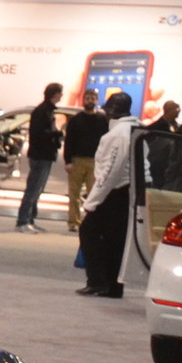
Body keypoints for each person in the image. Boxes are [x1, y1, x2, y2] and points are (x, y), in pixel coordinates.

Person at [75, 90, 139, 299]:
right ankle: (113, 286)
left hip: (115, 192)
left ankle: (97, 282)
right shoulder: (137, 129)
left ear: (111, 111)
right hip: (129, 192)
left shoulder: (117, 135)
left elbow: (110, 172)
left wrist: (92, 201)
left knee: (89, 231)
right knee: (116, 240)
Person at [17, 81, 63, 232]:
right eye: (60, 93)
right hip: (41, 154)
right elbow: (38, 133)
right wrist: (55, 134)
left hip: (45, 154)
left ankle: (30, 219)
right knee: (33, 188)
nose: (61, 96)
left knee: (37, 189)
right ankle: (23, 221)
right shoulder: (42, 111)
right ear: (55, 94)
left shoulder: (47, 110)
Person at [62, 89, 109, 232]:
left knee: (94, 194)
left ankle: (91, 223)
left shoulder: (103, 120)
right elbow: (69, 141)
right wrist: (68, 161)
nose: (90, 100)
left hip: (95, 161)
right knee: (74, 194)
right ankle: (73, 222)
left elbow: (106, 141)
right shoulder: (75, 120)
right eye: (87, 98)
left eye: (92, 98)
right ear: (83, 100)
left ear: (97, 100)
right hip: (77, 160)